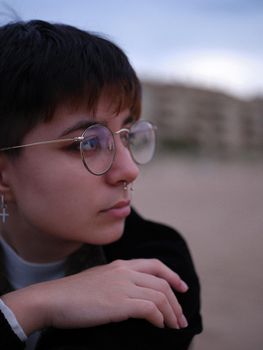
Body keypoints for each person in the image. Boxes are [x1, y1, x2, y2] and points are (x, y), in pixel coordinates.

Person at [0, 19, 202, 350]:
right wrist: (29, 308)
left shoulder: (159, 263)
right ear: (3, 175)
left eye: (127, 135)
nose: (128, 170)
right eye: (88, 143)